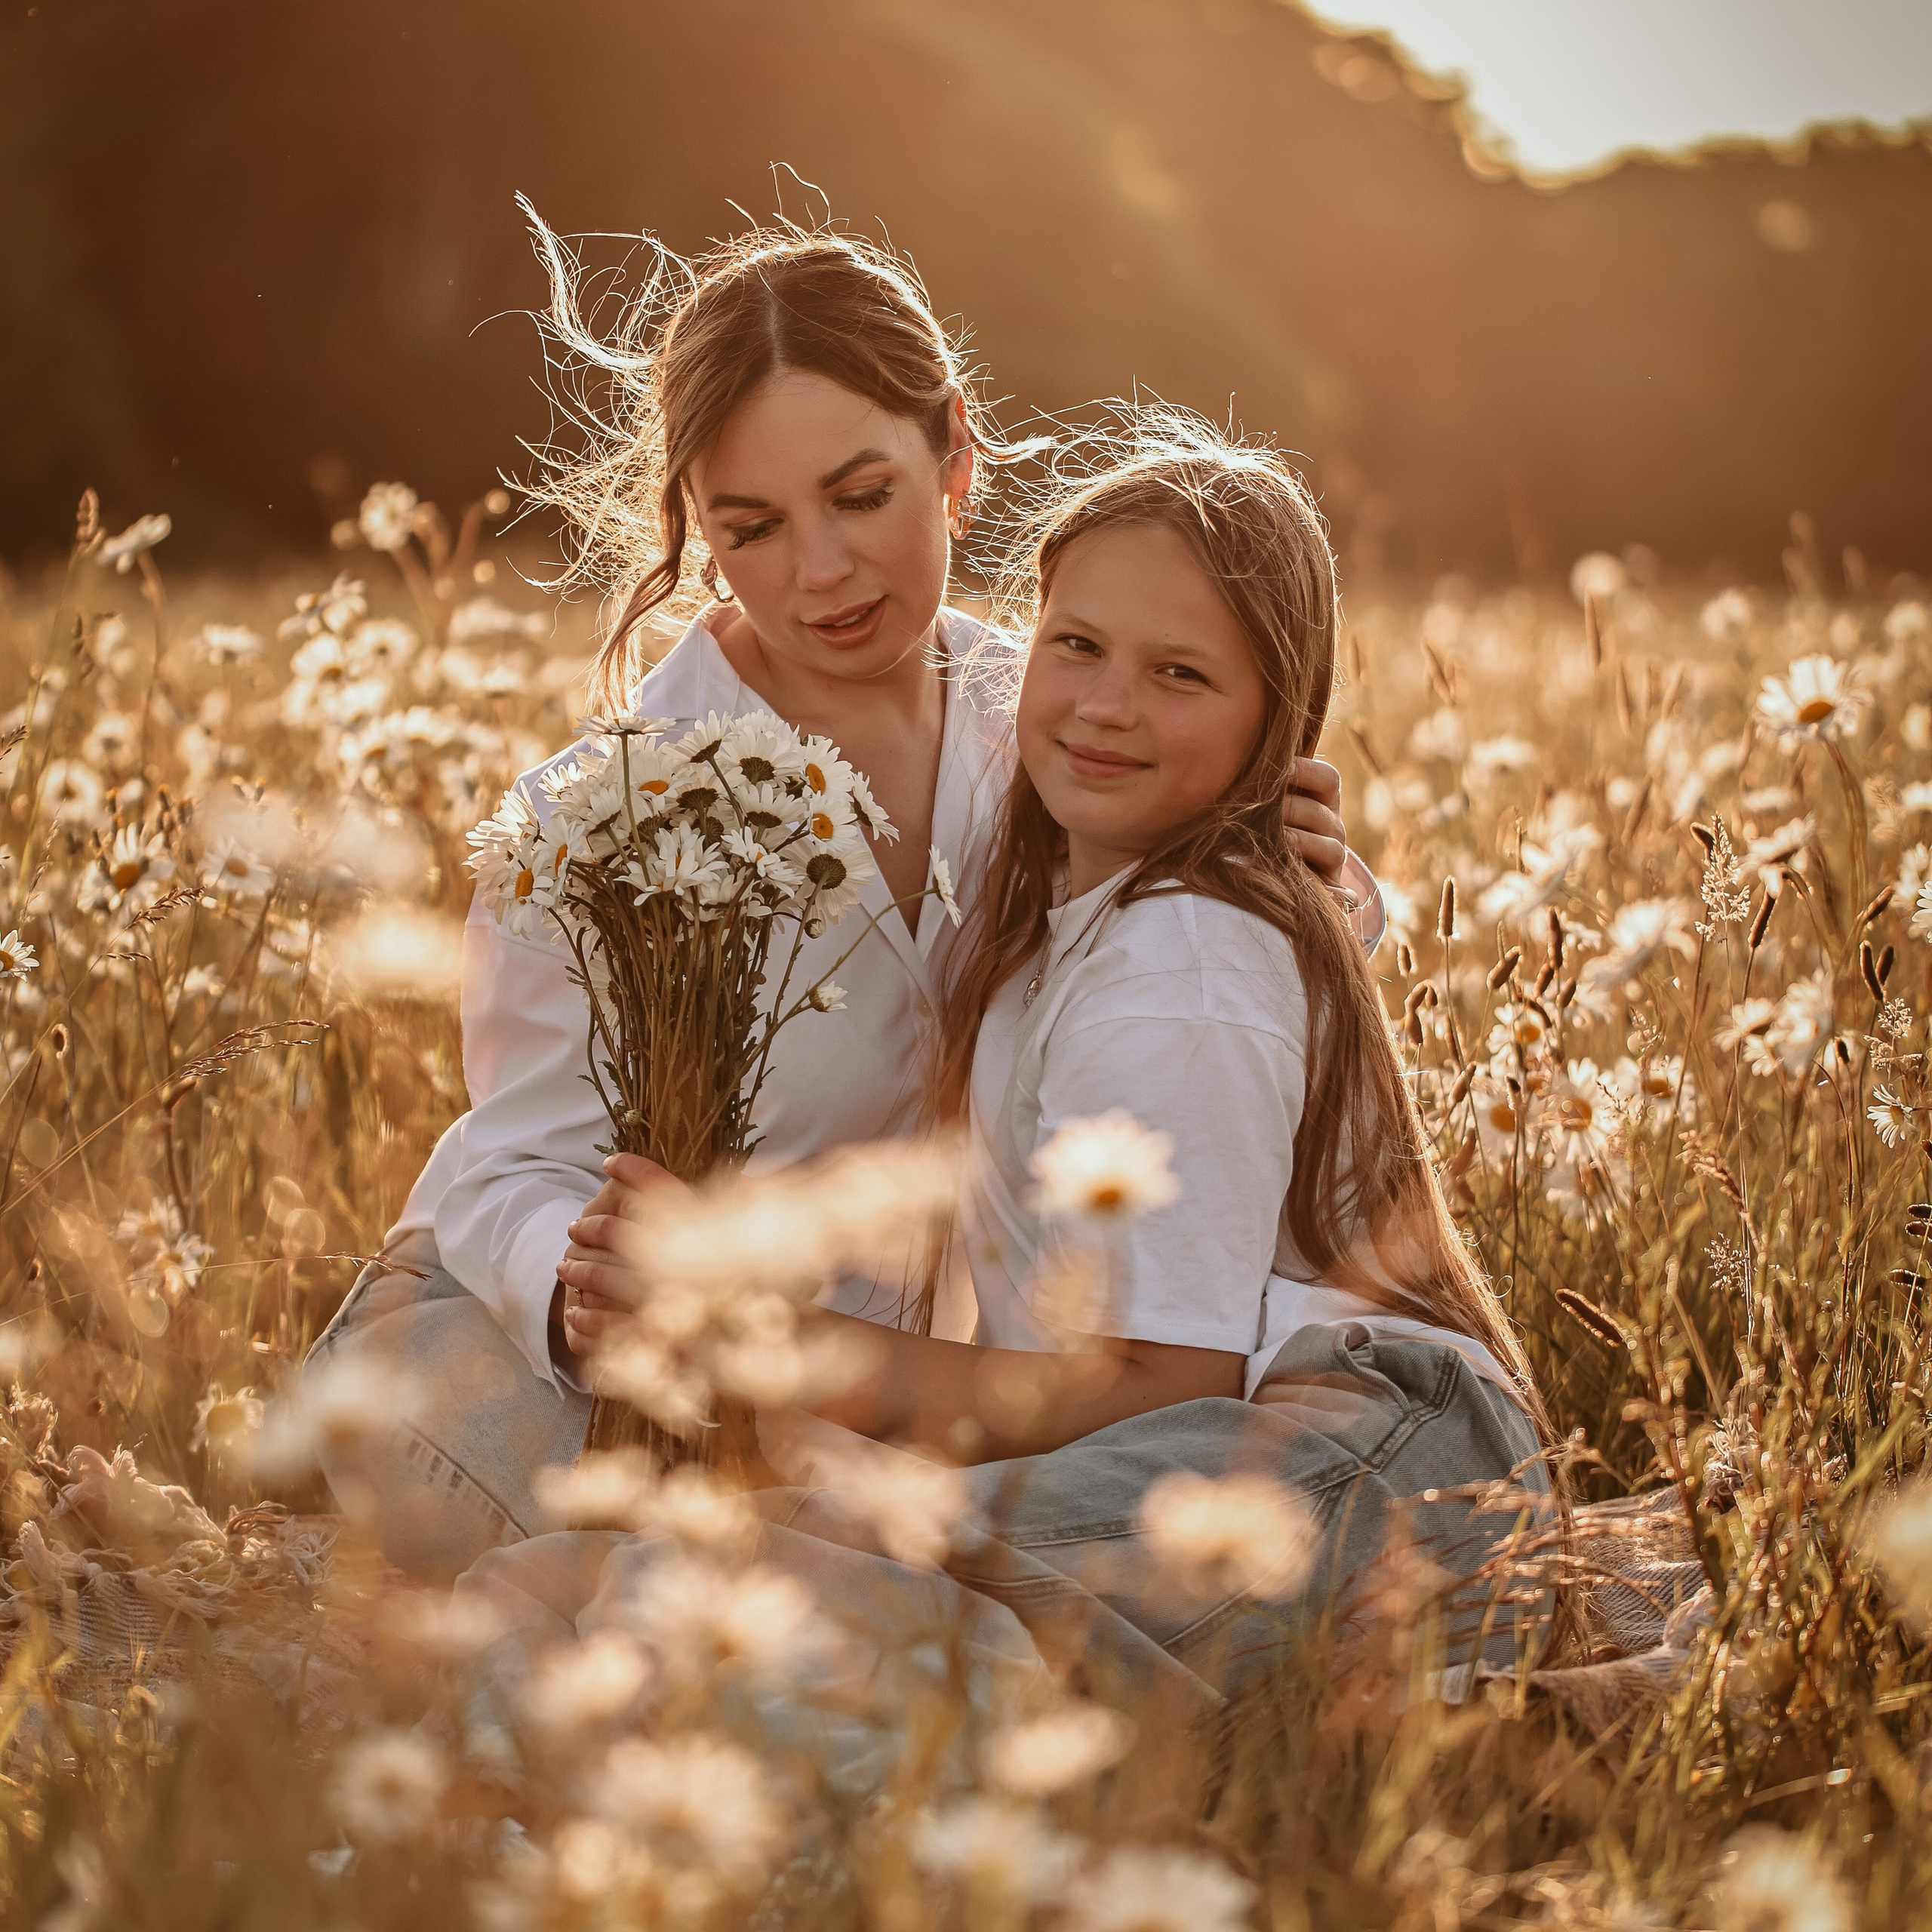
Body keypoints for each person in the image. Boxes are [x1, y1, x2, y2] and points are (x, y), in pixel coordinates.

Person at [303, 217, 1383, 1574]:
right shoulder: (608, 812)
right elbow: (510, 1164)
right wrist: (576, 1300)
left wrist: (1288, 870)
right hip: (526, 1357)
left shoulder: (1065, 716)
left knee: (811, 1593)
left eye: (861, 497)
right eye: (751, 527)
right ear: (699, 533)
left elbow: (1193, 996)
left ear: (957, 456)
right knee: (636, 1590)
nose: (820, 572)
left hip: (871, 1399)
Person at [481, 414, 1558, 1726]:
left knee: (740, 1598)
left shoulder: (1180, 958)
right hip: (1222, 1446)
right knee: (704, 1581)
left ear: (1277, 721)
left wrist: (769, 1341)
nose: (1107, 705)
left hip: (1374, 1466)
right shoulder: (1064, 904)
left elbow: (1168, 1384)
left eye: (1180, 674)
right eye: (1078, 646)